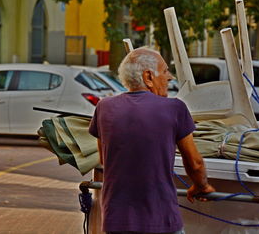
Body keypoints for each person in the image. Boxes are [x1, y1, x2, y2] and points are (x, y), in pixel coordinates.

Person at [88, 47, 215, 234]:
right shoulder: (174, 108)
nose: (169, 77)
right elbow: (195, 163)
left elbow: (104, 160)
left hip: (116, 220)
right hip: (160, 220)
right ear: (148, 77)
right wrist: (201, 186)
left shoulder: (104, 107)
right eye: (164, 71)